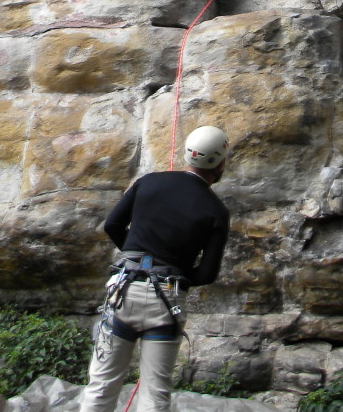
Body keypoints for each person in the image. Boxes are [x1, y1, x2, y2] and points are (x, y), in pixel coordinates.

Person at [78, 126, 231, 412]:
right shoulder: (216, 211)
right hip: (166, 299)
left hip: (123, 292)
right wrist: (179, 273)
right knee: (155, 394)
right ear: (221, 162)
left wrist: (136, 258)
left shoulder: (148, 182)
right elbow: (207, 274)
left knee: (101, 386)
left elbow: (112, 225)